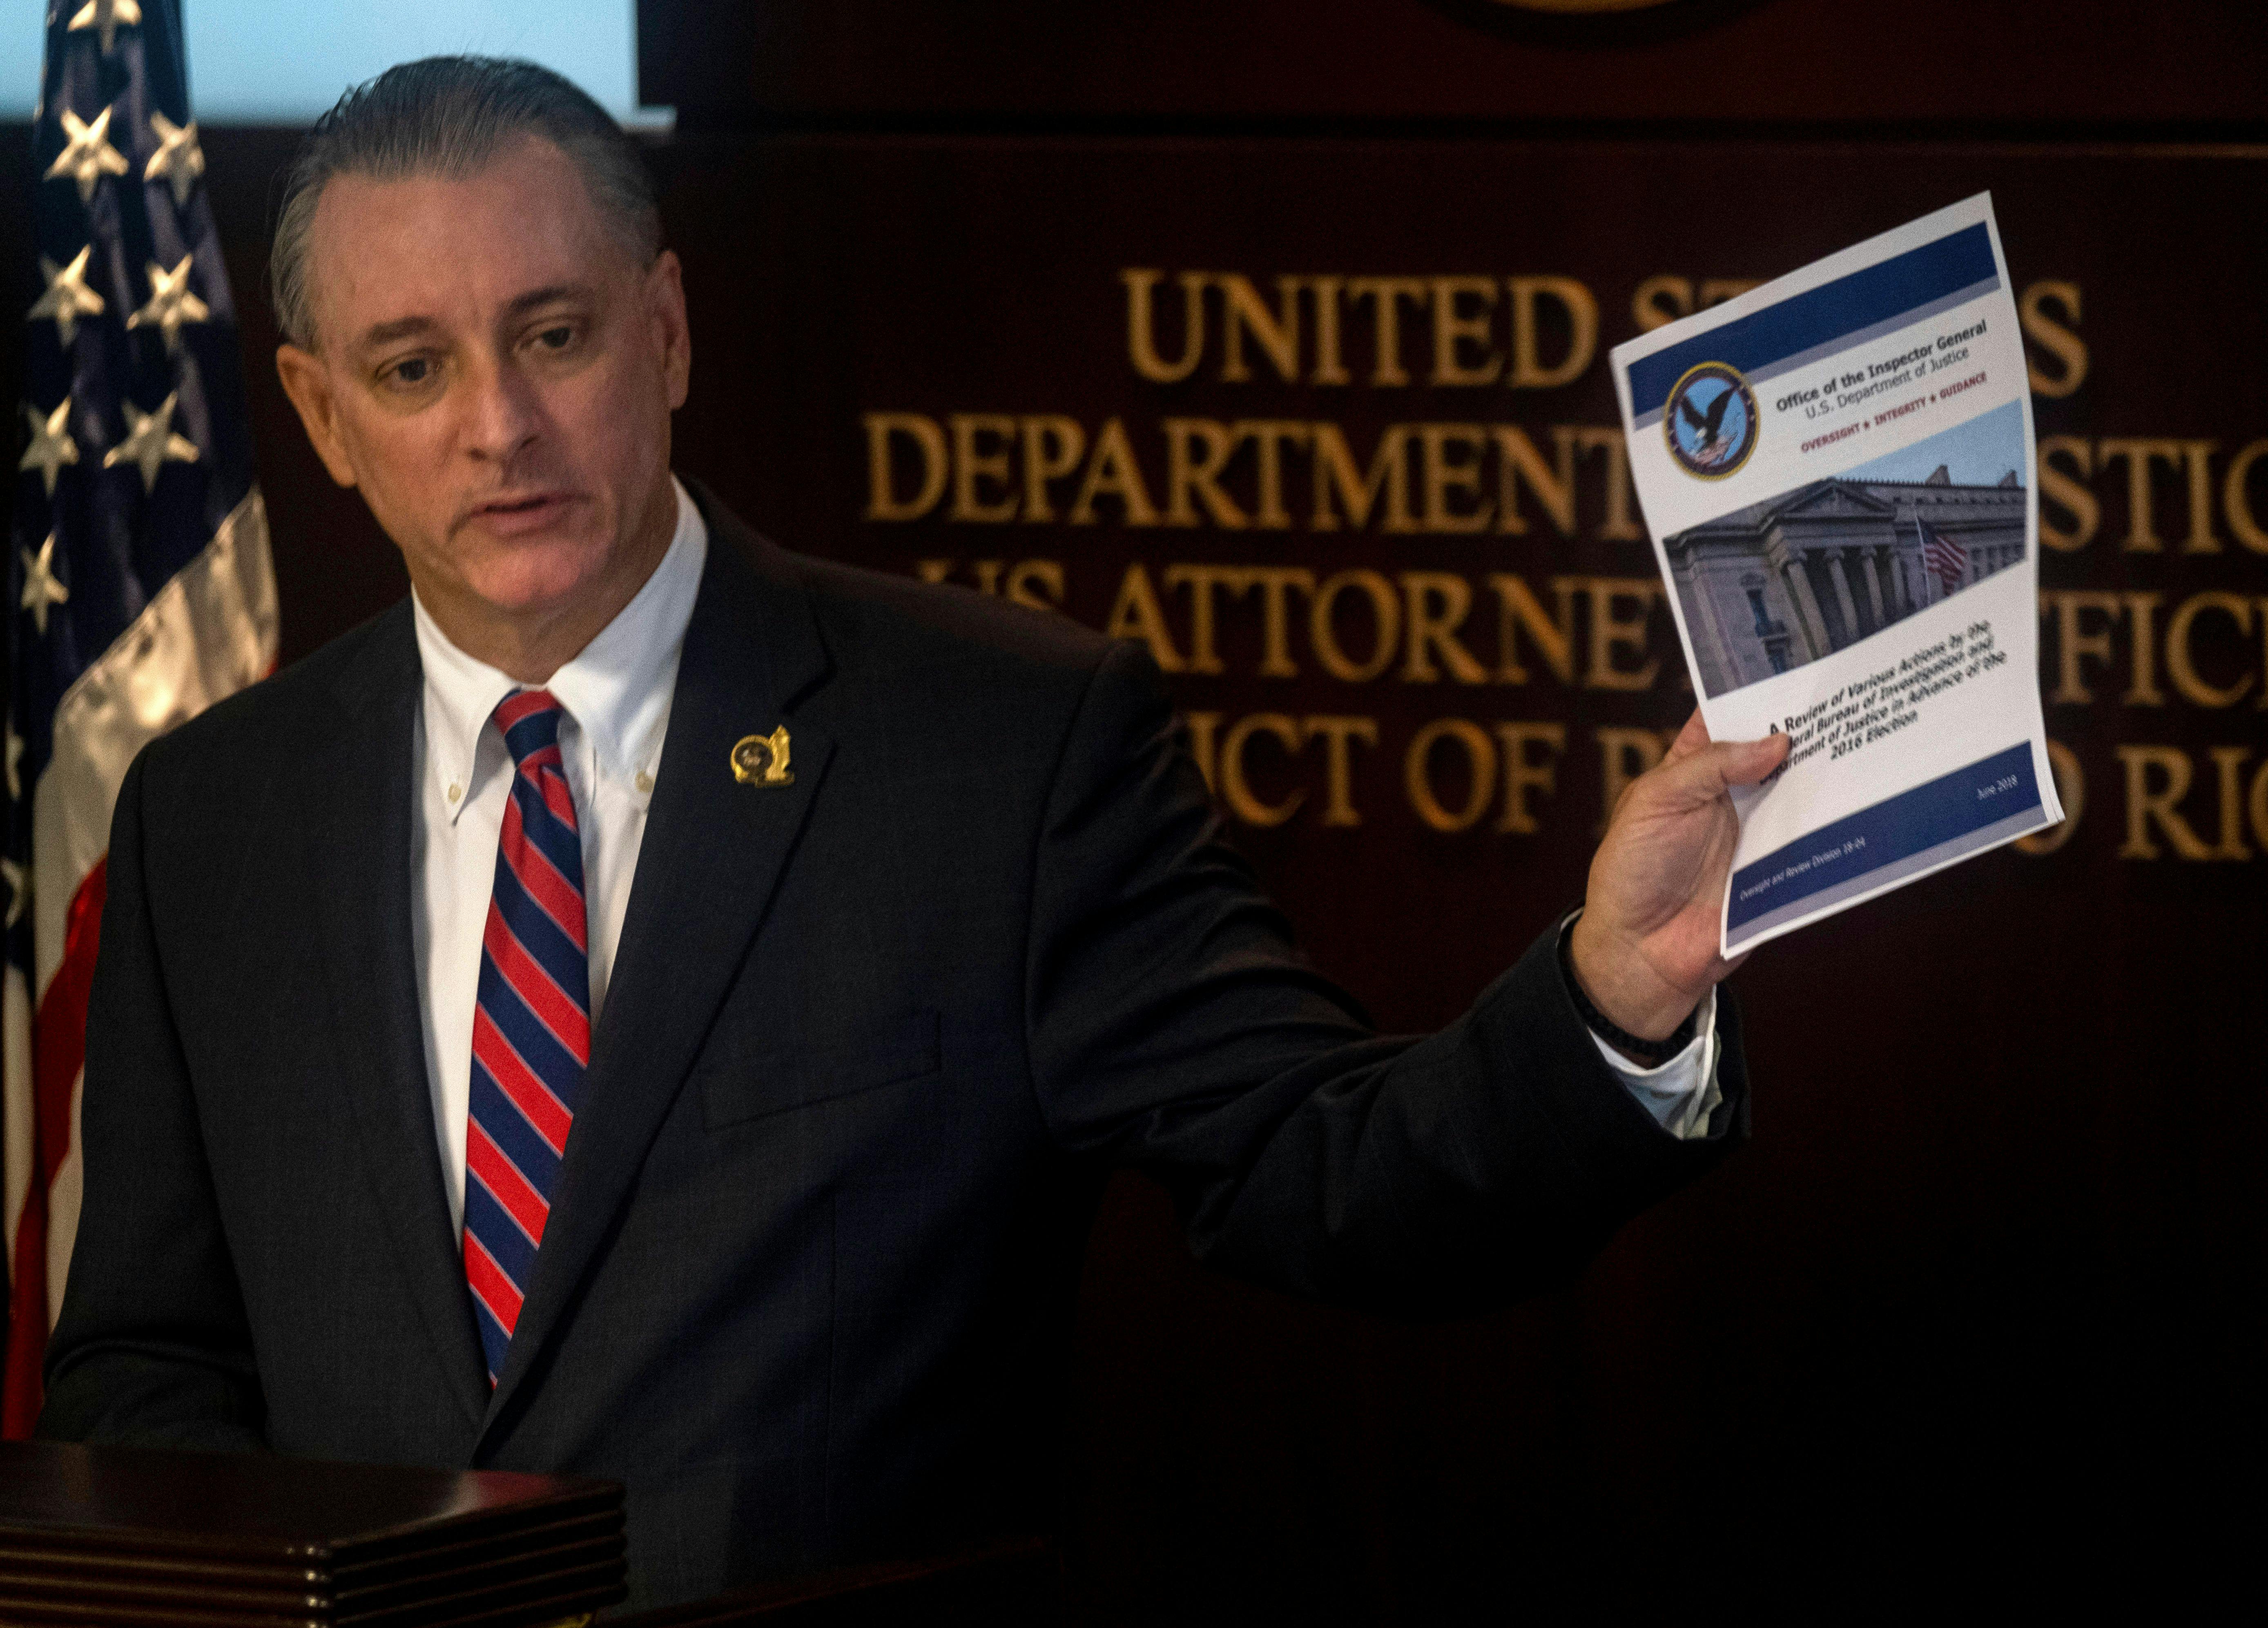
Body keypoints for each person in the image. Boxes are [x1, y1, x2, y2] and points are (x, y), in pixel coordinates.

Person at [37, 58, 1787, 1611]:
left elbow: (1326, 1172)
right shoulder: (212, 817)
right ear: (325, 417)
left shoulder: (997, 745)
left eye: (552, 333)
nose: (497, 424)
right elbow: (149, 1368)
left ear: (665, 330)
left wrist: (1611, 998)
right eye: (410, 368)